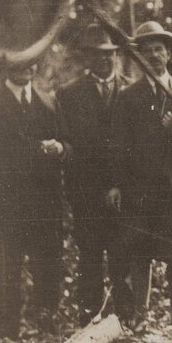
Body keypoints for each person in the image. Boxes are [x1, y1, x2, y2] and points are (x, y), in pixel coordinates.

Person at [109, 21, 172, 333]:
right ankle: (141, 316)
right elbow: (119, 145)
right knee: (141, 252)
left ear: (168, 54)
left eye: (159, 49)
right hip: (141, 188)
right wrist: (117, 184)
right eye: (147, 51)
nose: (154, 55)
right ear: (139, 57)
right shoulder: (128, 97)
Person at [57, 24, 131, 327]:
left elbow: (137, 146)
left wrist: (120, 184)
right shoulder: (69, 94)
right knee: (89, 254)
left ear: (116, 55)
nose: (104, 59)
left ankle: (127, 317)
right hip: (86, 191)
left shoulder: (131, 90)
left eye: (109, 54)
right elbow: (68, 143)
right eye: (97, 54)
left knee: (123, 254)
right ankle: (90, 318)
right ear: (87, 57)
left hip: (124, 191)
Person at [0, 62, 66, 340]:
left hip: (45, 202)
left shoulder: (49, 102)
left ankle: (46, 324)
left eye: (30, 60)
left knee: (47, 263)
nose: (26, 67)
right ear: (5, 64)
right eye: (19, 60)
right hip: (9, 203)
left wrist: (60, 148)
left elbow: (68, 142)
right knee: (8, 266)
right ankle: (8, 329)